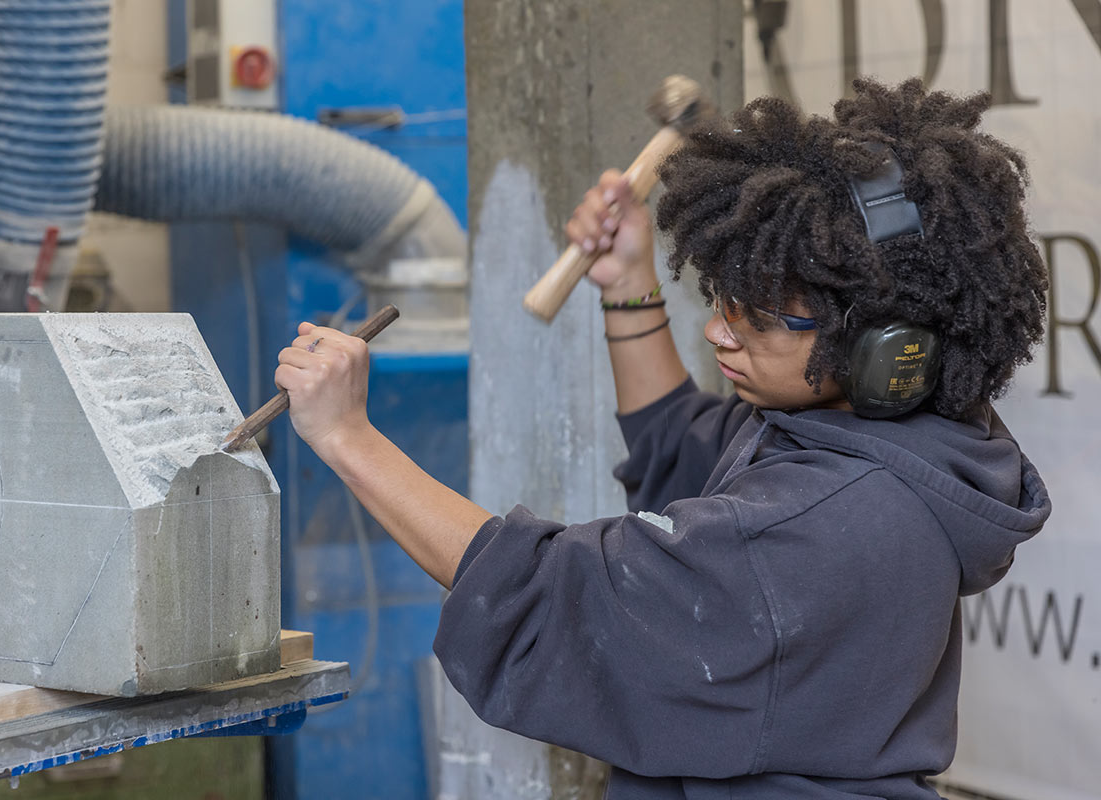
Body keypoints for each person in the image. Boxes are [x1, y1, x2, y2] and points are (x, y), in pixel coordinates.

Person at [273, 78, 1051, 800]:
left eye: (758, 317)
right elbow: (685, 447)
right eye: (722, 296)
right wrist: (629, 287)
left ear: (887, 347)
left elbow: (546, 597)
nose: (718, 329)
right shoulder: (908, 449)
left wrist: (348, 438)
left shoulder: (818, 529)